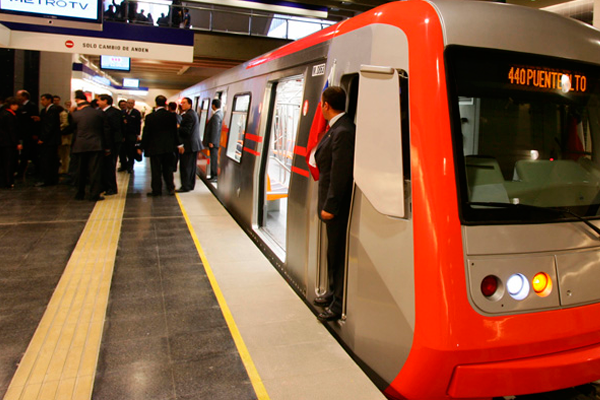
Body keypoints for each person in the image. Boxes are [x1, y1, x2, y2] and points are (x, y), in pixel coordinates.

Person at [313, 86, 356, 322]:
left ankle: (338, 304)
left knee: (338, 255)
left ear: (326, 105)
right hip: (331, 204)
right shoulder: (336, 128)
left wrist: (330, 206)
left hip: (336, 207)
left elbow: (340, 174)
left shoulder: (343, 131)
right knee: (332, 252)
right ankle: (331, 292)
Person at [71, 91, 110, 201]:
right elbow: (105, 130)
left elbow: (73, 130)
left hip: (80, 145)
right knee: (94, 170)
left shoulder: (75, 115)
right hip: (95, 145)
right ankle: (94, 194)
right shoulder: (99, 114)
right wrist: (107, 146)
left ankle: (80, 193)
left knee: (80, 170)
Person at [139, 95, 179, 196]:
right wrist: (178, 145)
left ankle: (157, 190)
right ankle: (170, 188)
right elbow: (175, 132)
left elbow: (146, 133)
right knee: (168, 169)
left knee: (156, 170)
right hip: (169, 148)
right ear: (165, 103)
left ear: (156, 103)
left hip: (155, 148)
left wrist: (142, 147)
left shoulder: (150, 117)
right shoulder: (171, 116)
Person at [98, 94, 123, 195]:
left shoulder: (113, 113)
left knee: (110, 165)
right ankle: (104, 186)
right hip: (106, 142)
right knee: (104, 165)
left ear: (105, 101)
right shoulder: (102, 112)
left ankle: (111, 187)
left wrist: (108, 146)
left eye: (99, 100)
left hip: (112, 143)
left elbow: (114, 129)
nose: (98, 102)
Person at [177, 97, 202, 192]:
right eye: (181, 103)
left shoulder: (188, 115)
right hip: (193, 145)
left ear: (190, 104)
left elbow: (186, 131)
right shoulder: (193, 113)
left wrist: (178, 127)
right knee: (191, 167)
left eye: (184, 103)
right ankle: (190, 185)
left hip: (188, 145)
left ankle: (185, 186)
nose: (182, 105)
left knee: (185, 167)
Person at [37, 93, 62, 186]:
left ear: (49, 100)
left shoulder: (53, 110)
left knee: (48, 160)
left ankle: (48, 180)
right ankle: (50, 179)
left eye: (43, 99)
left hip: (51, 140)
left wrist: (43, 138)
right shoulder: (45, 110)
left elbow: (49, 126)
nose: (41, 102)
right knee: (49, 160)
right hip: (50, 140)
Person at [16, 89, 40, 180]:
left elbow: (34, 121)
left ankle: (23, 172)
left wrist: (35, 133)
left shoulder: (31, 106)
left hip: (30, 134)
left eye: (19, 96)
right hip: (24, 134)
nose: (18, 98)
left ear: (24, 96)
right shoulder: (20, 107)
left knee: (30, 153)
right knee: (28, 154)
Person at [0, 97, 22, 188]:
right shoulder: (9, 115)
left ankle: (4, 181)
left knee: (3, 163)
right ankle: (8, 181)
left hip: (3, 142)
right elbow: (12, 130)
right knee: (9, 162)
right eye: (15, 105)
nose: (17, 107)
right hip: (9, 143)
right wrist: (17, 142)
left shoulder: (3, 113)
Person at [203, 98, 223, 181]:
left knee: (214, 159)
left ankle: (214, 175)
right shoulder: (220, 114)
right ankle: (213, 175)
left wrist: (212, 141)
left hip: (214, 142)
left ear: (213, 105)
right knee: (214, 158)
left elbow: (215, 129)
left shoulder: (216, 116)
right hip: (216, 141)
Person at [119, 98, 141, 173]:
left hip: (131, 134)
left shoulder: (136, 113)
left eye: (131, 103)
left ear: (134, 104)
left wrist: (138, 135)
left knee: (130, 151)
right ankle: (123, 165)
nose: (129, 104)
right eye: (128, 103)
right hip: (123, 135)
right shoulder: (122, 112)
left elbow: (138, 124)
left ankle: (130, 167)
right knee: (122, 151)